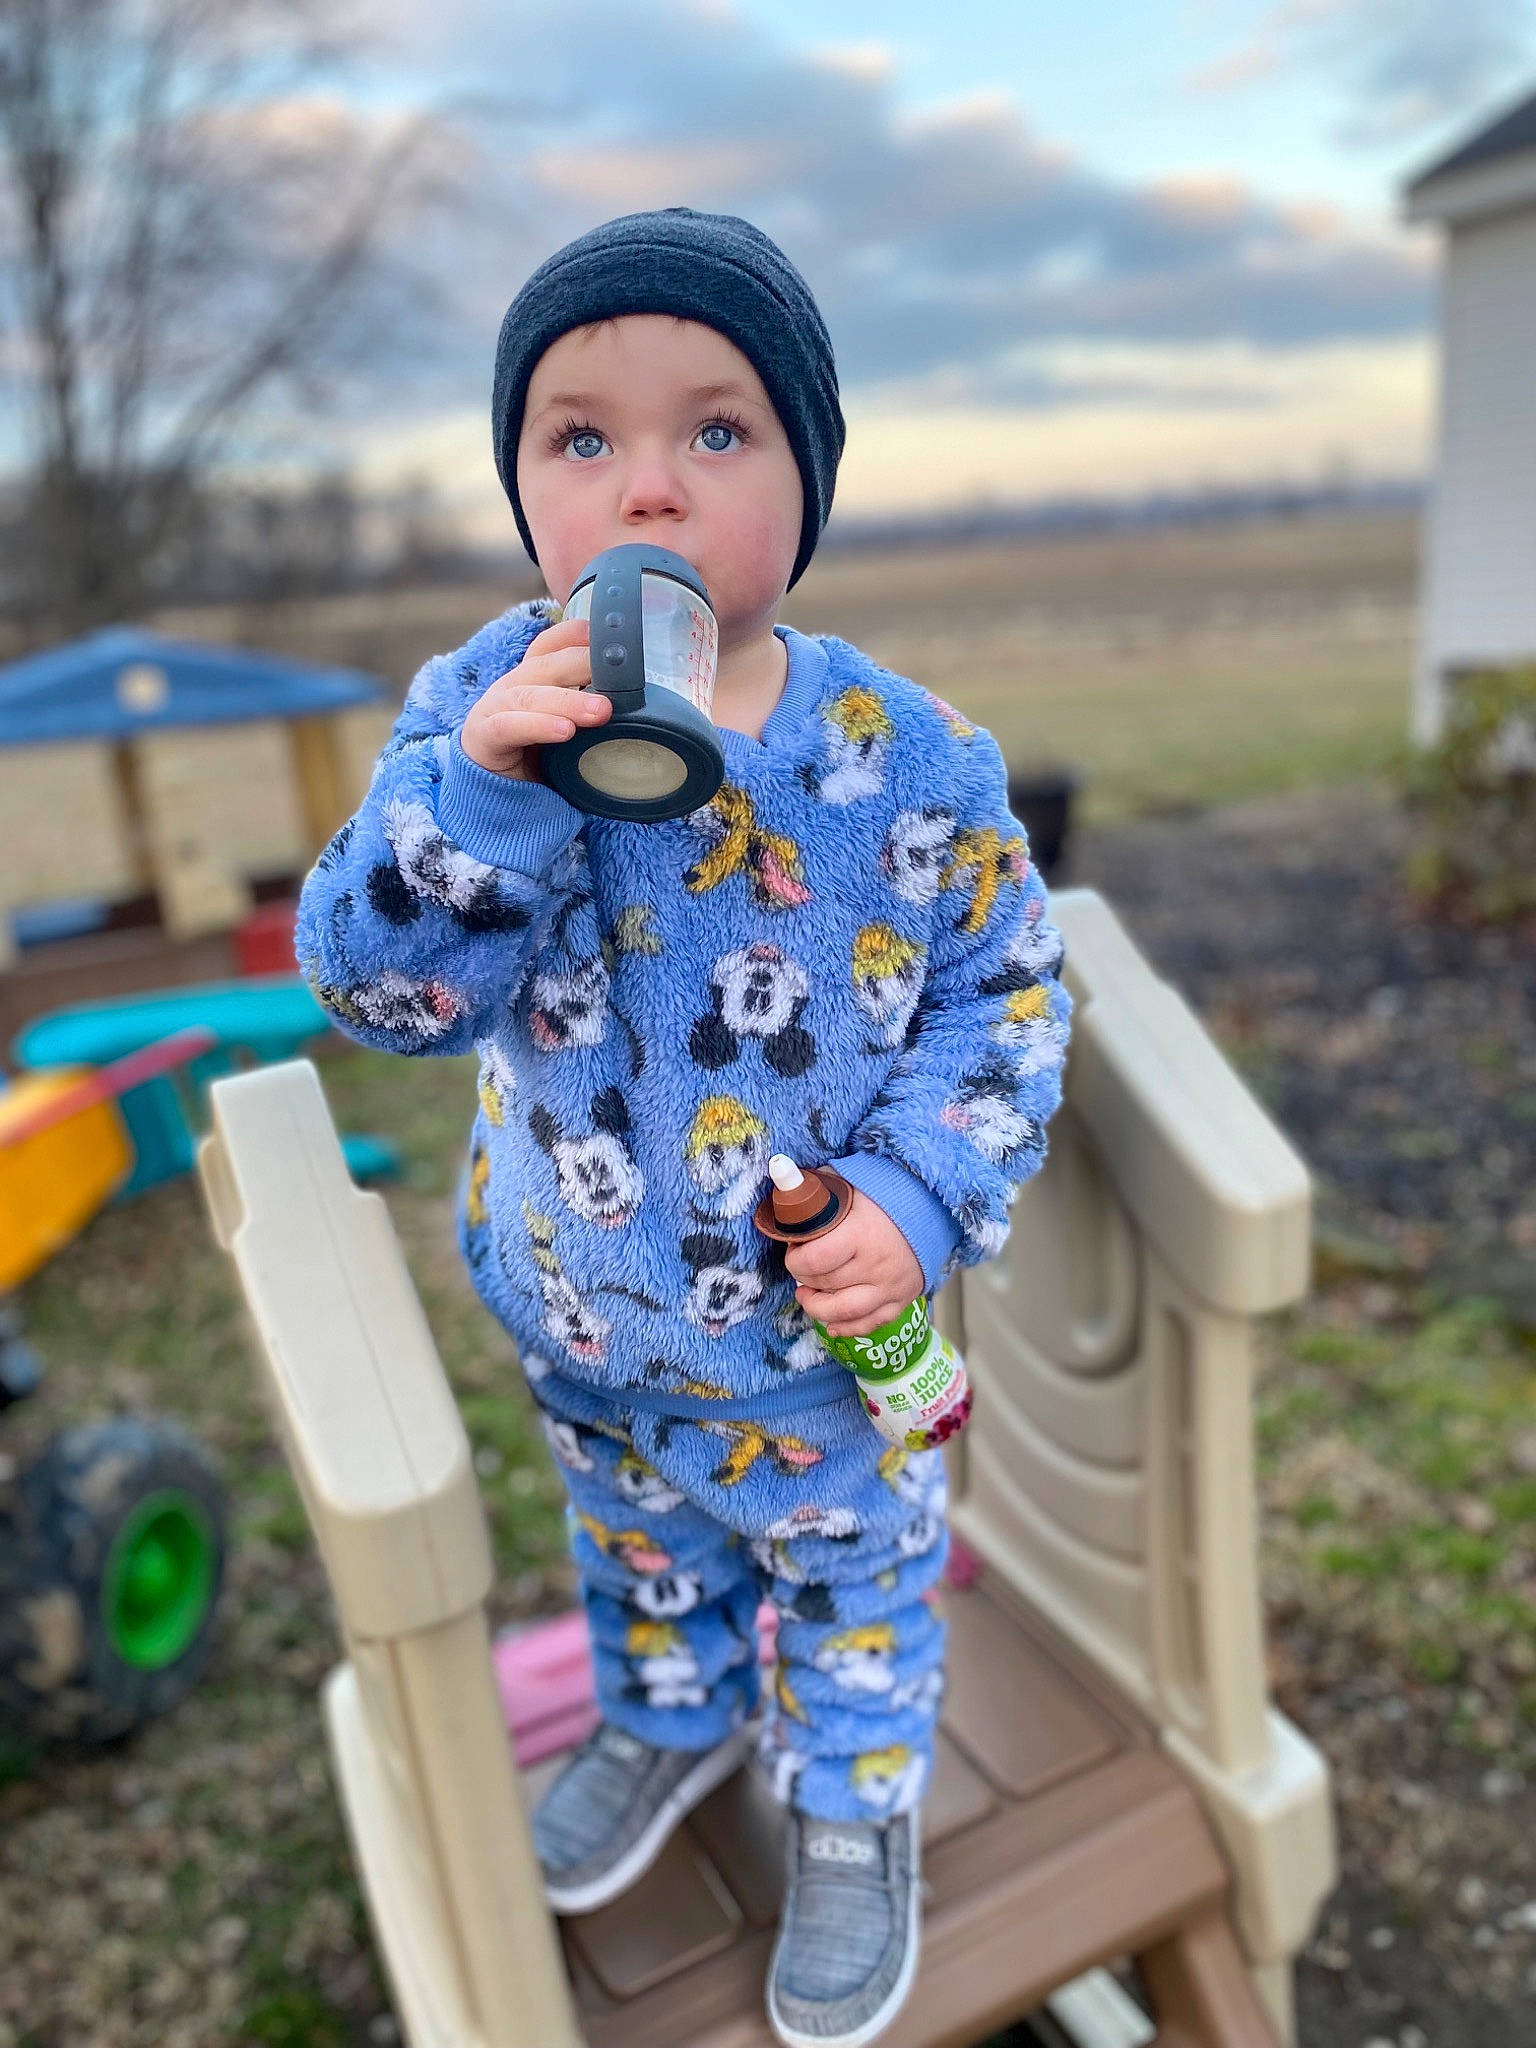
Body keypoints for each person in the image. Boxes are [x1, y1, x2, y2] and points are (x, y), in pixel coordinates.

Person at [295, 206, 1072, 2048]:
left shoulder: (913, 761)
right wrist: (479, 799)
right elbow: (373, 993)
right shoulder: (474, 720)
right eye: (583, 441)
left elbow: (1008, 1001)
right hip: (588, 1326)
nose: (648, 492)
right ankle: (666, 1724)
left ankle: (854, 1807)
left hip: (819, 1353)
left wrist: (915, 1191)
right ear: (524, 495)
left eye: (715, 434)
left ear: (808, 482)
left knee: (855, 1588)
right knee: (638, 1563)